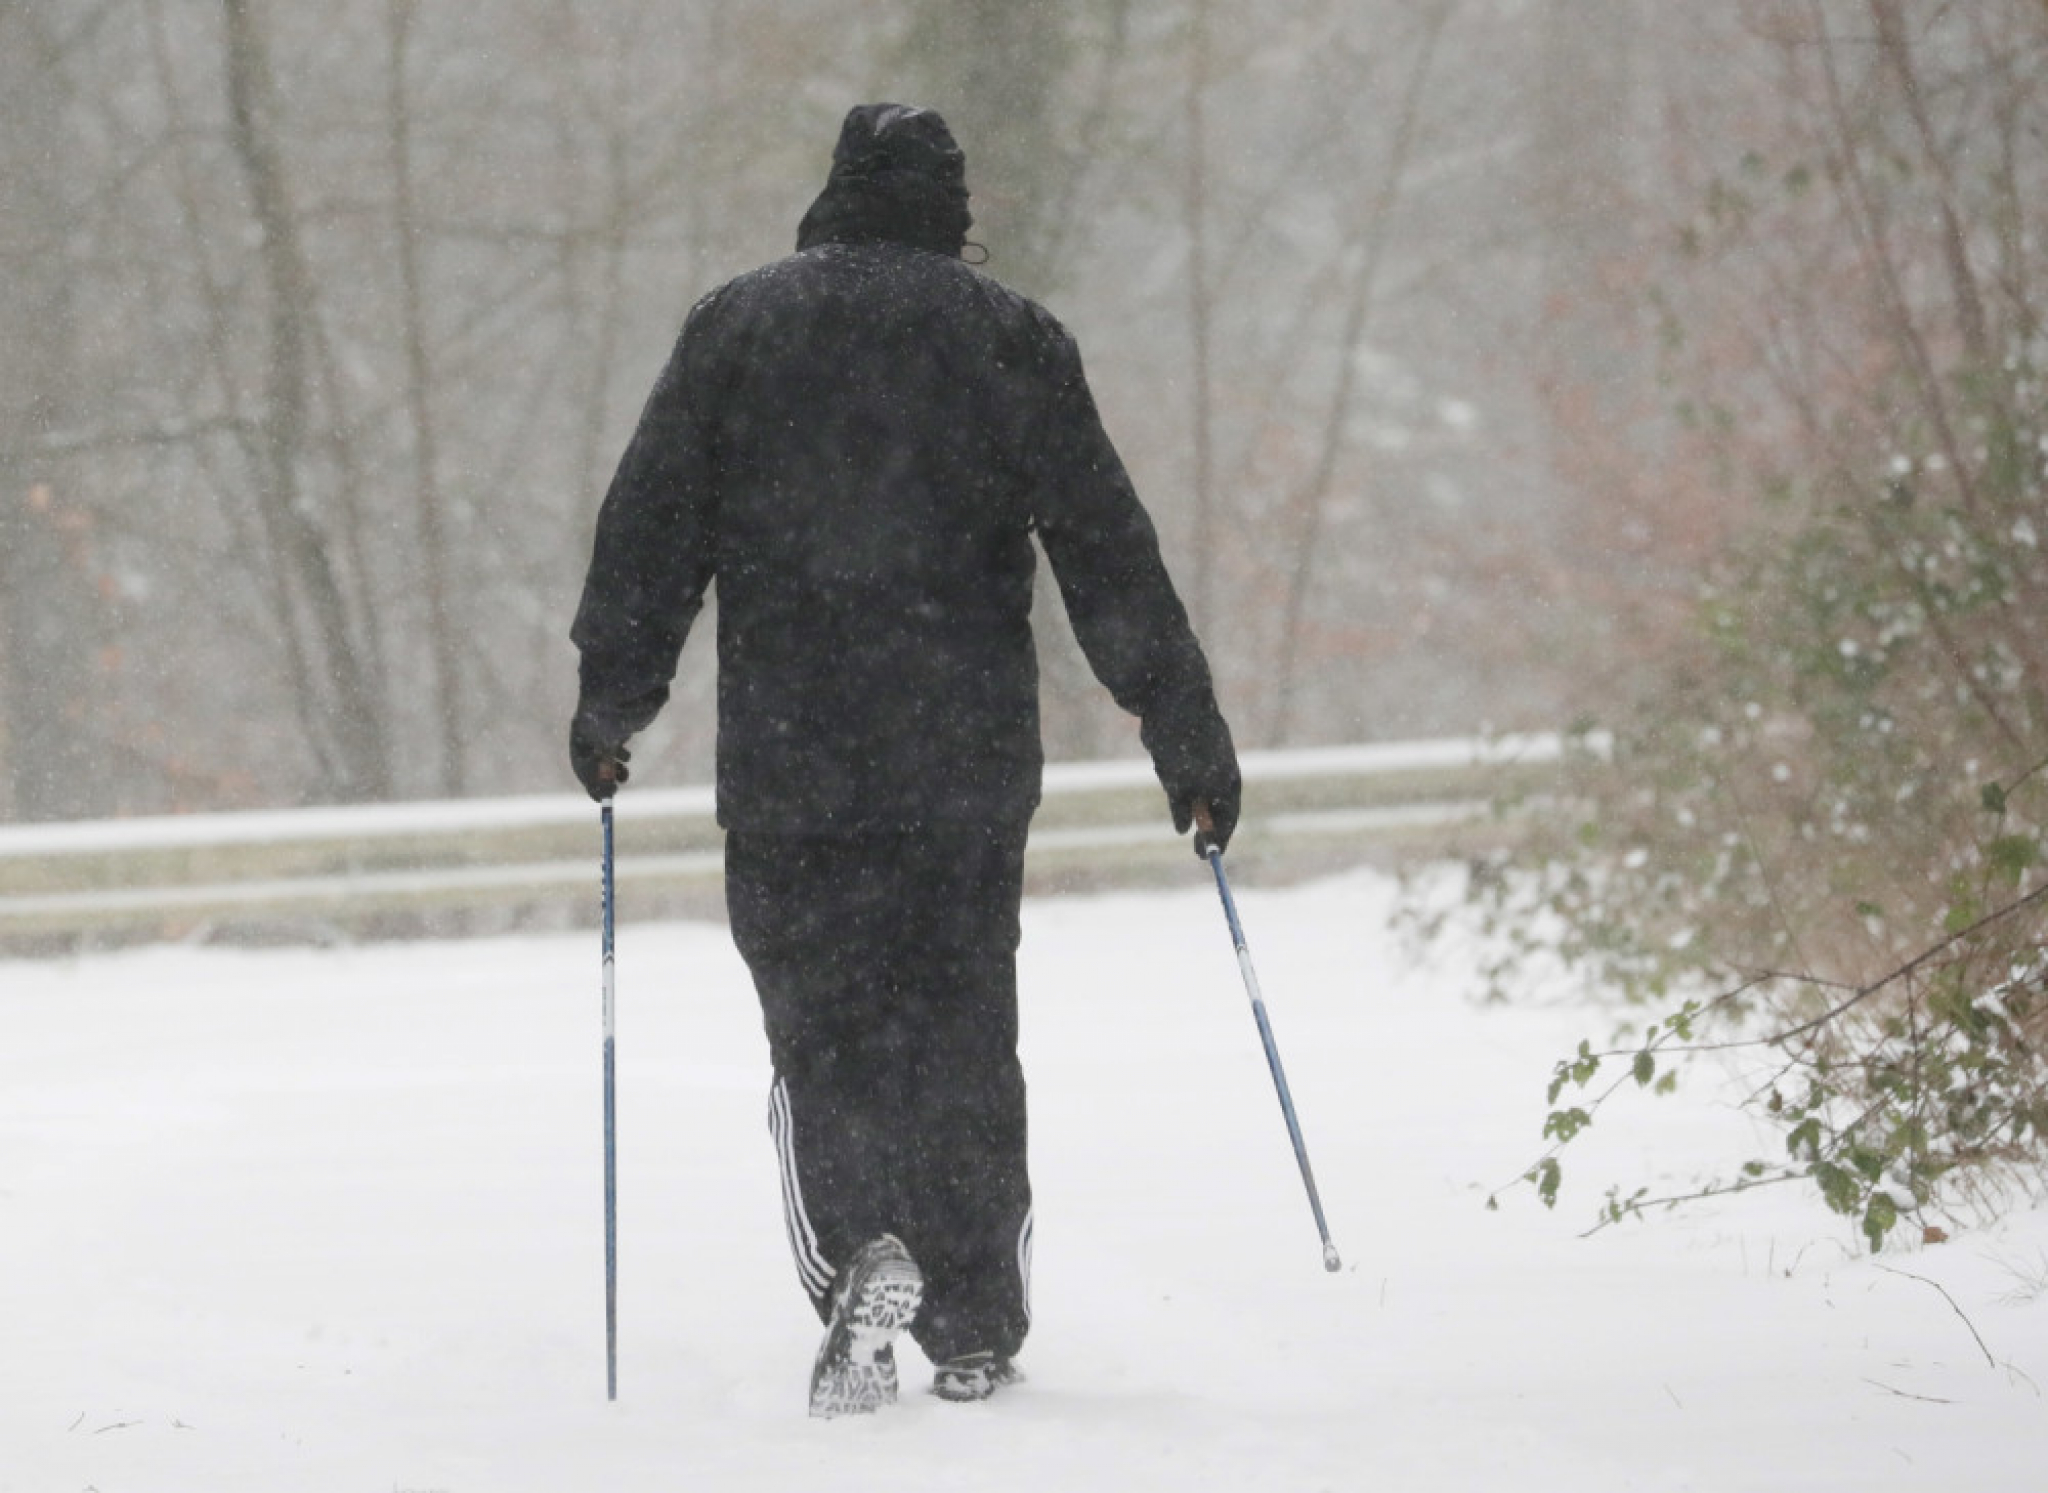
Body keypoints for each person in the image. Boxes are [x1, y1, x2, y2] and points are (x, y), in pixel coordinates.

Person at [568, 102, 1240, 1417]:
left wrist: (614, 697)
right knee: (961, 1025)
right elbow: (1107, 548)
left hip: (795, 758)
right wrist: (1184, 728)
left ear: (833, 194)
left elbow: (651, 530)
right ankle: (976, 1310)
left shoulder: (738, 328)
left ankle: (861, 1250)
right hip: (962, 757)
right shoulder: (1012, 339)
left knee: (825, 1025)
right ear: (953, 210)